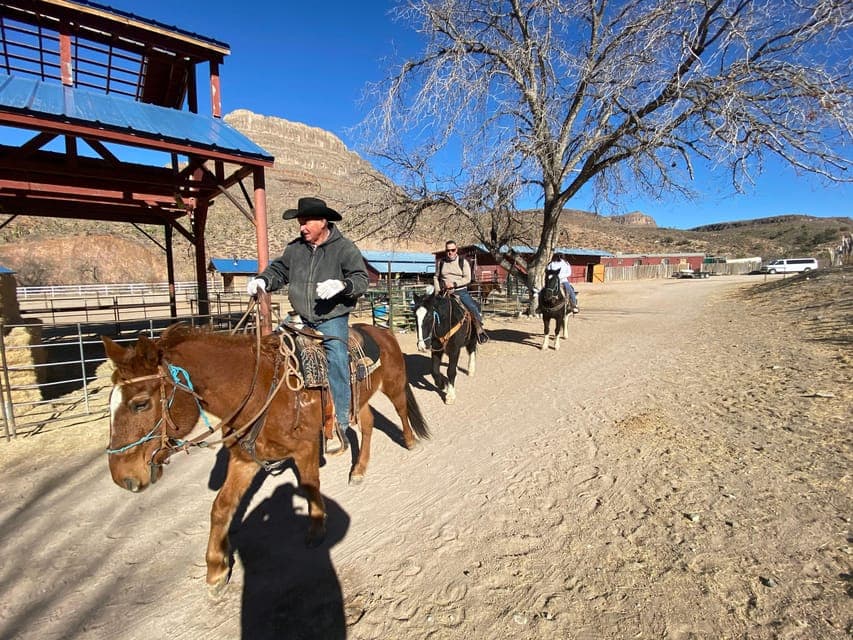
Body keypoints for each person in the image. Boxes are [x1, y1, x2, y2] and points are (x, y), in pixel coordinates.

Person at [247, 197, 368, 456]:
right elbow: (279, 270)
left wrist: (343, 286)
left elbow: (360, 278)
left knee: (336, 355)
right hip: (300, 317)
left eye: (306, 222)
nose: (301, 227)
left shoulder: (344, 248)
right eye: (300, 223)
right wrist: (263, 281)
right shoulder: (295, 249)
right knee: (272, 352)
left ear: (323, 222)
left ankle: (340, 422)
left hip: (331, 317)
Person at [434, 240, 488, 344]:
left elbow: (467, 278)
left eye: (452, 250)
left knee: (472, 307)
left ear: (456, 250)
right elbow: (436, 277)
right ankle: (431, 333)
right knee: (430, 309)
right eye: (448, 250)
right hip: (444, 292)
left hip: (460, 292)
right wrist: (437, 290)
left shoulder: (463, 262)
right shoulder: (441, 263)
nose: (450, 252)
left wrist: (454, 284)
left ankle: (479, 330)